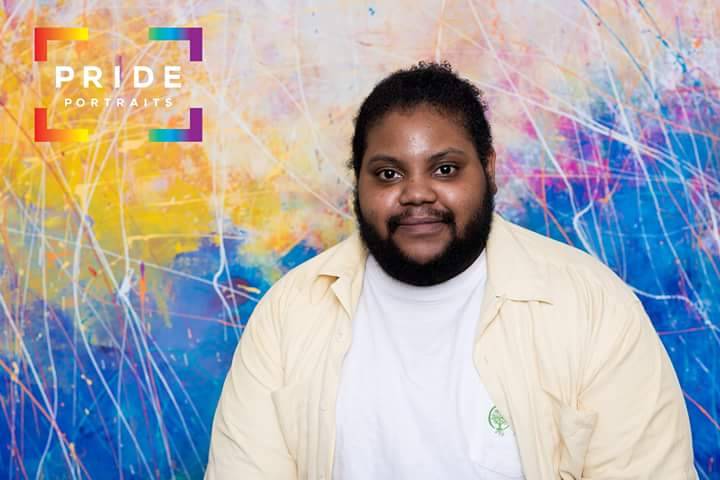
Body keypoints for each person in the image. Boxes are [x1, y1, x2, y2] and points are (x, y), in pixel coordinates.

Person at [205, 62, 696, 480]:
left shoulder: (592, 308)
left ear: (489, 169)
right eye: (388, 174)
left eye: (444, 169)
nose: (417, 193)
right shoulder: (290, 316)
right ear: (358, 183)